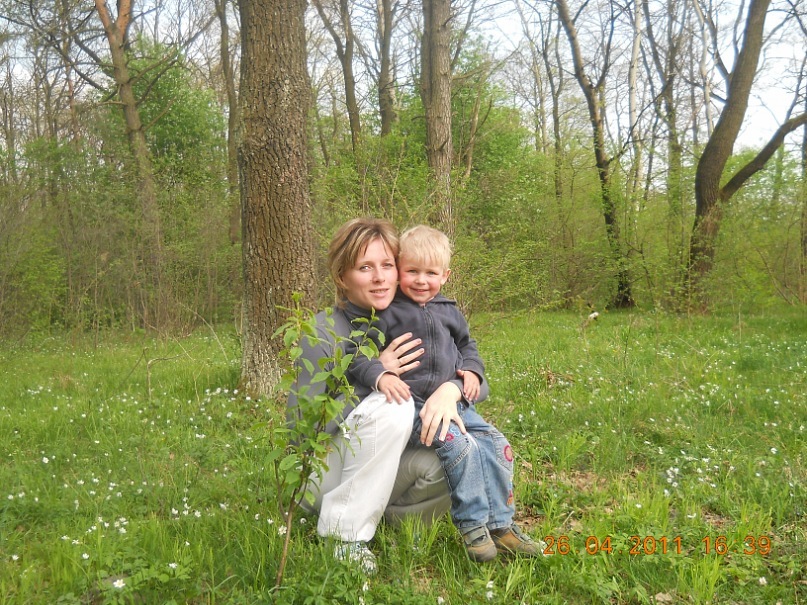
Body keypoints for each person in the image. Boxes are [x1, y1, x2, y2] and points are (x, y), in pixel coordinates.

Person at [287, 218, 487, 574]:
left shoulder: (409, 319)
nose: (379, 277)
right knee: (396, 404)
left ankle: (390, 526)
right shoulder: (323, 331)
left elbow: (476, 380)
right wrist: (375, 376)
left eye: (387, 265)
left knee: (454, 452)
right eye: (365, 267)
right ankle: (344, 536)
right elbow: (304, 428)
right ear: (342, 276)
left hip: (377, 462)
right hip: (322, 472)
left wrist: (451, 390)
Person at [347, 225, 545, 562]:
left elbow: (468, 347)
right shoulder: (386, 312)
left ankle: (501, 525)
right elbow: (358, 355)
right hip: (412, 406)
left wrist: (472, 370)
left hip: (456, 405)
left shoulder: (450, 311)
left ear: (445, 275)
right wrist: (380, 374)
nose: (421, 280)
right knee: (459, 445)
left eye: (431, 273)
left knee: (497, 444)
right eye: (412, 271)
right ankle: (472, 526)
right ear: (399, 269)